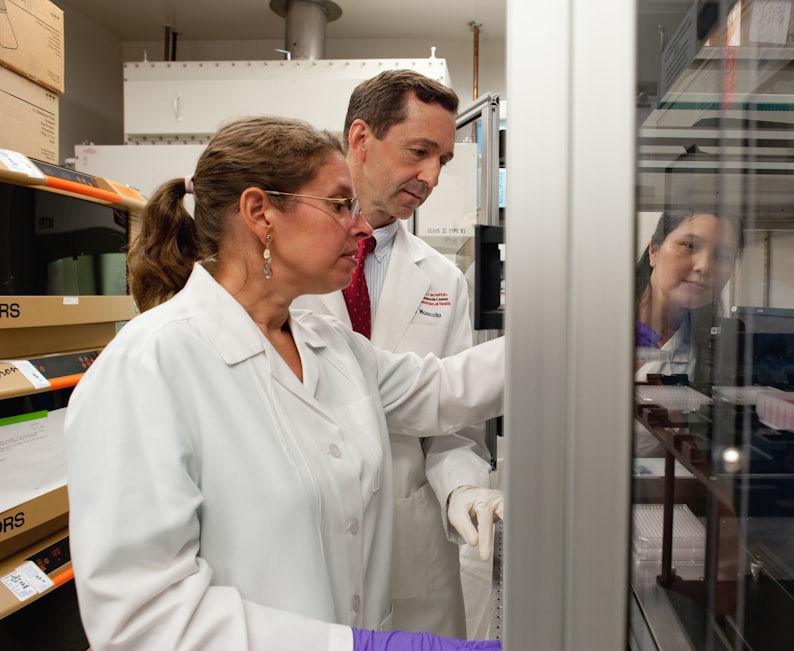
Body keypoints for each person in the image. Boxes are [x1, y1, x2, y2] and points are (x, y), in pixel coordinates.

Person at [62, 115, 503, 651]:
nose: (362, 228)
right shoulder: (149, 367)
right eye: (341, 205)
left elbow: (444, 388)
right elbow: (146, 620)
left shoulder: (331, 345)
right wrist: (355, 647)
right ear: (259, 212)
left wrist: (592, 337)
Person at [294, 69, 501, 639]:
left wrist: (462, 486)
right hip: (311, 538)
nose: (431, 176)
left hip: (413, 546)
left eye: (444, 161)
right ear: (361, 140)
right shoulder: (289, 266)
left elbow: (452, 420)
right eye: (419, 151)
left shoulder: (441, 278)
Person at [634, 208, 742, 382]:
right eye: (689, 246)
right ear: (654, 250)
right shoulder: (602, 323)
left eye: (722, 255)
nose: (704, 266)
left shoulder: (708, 349)